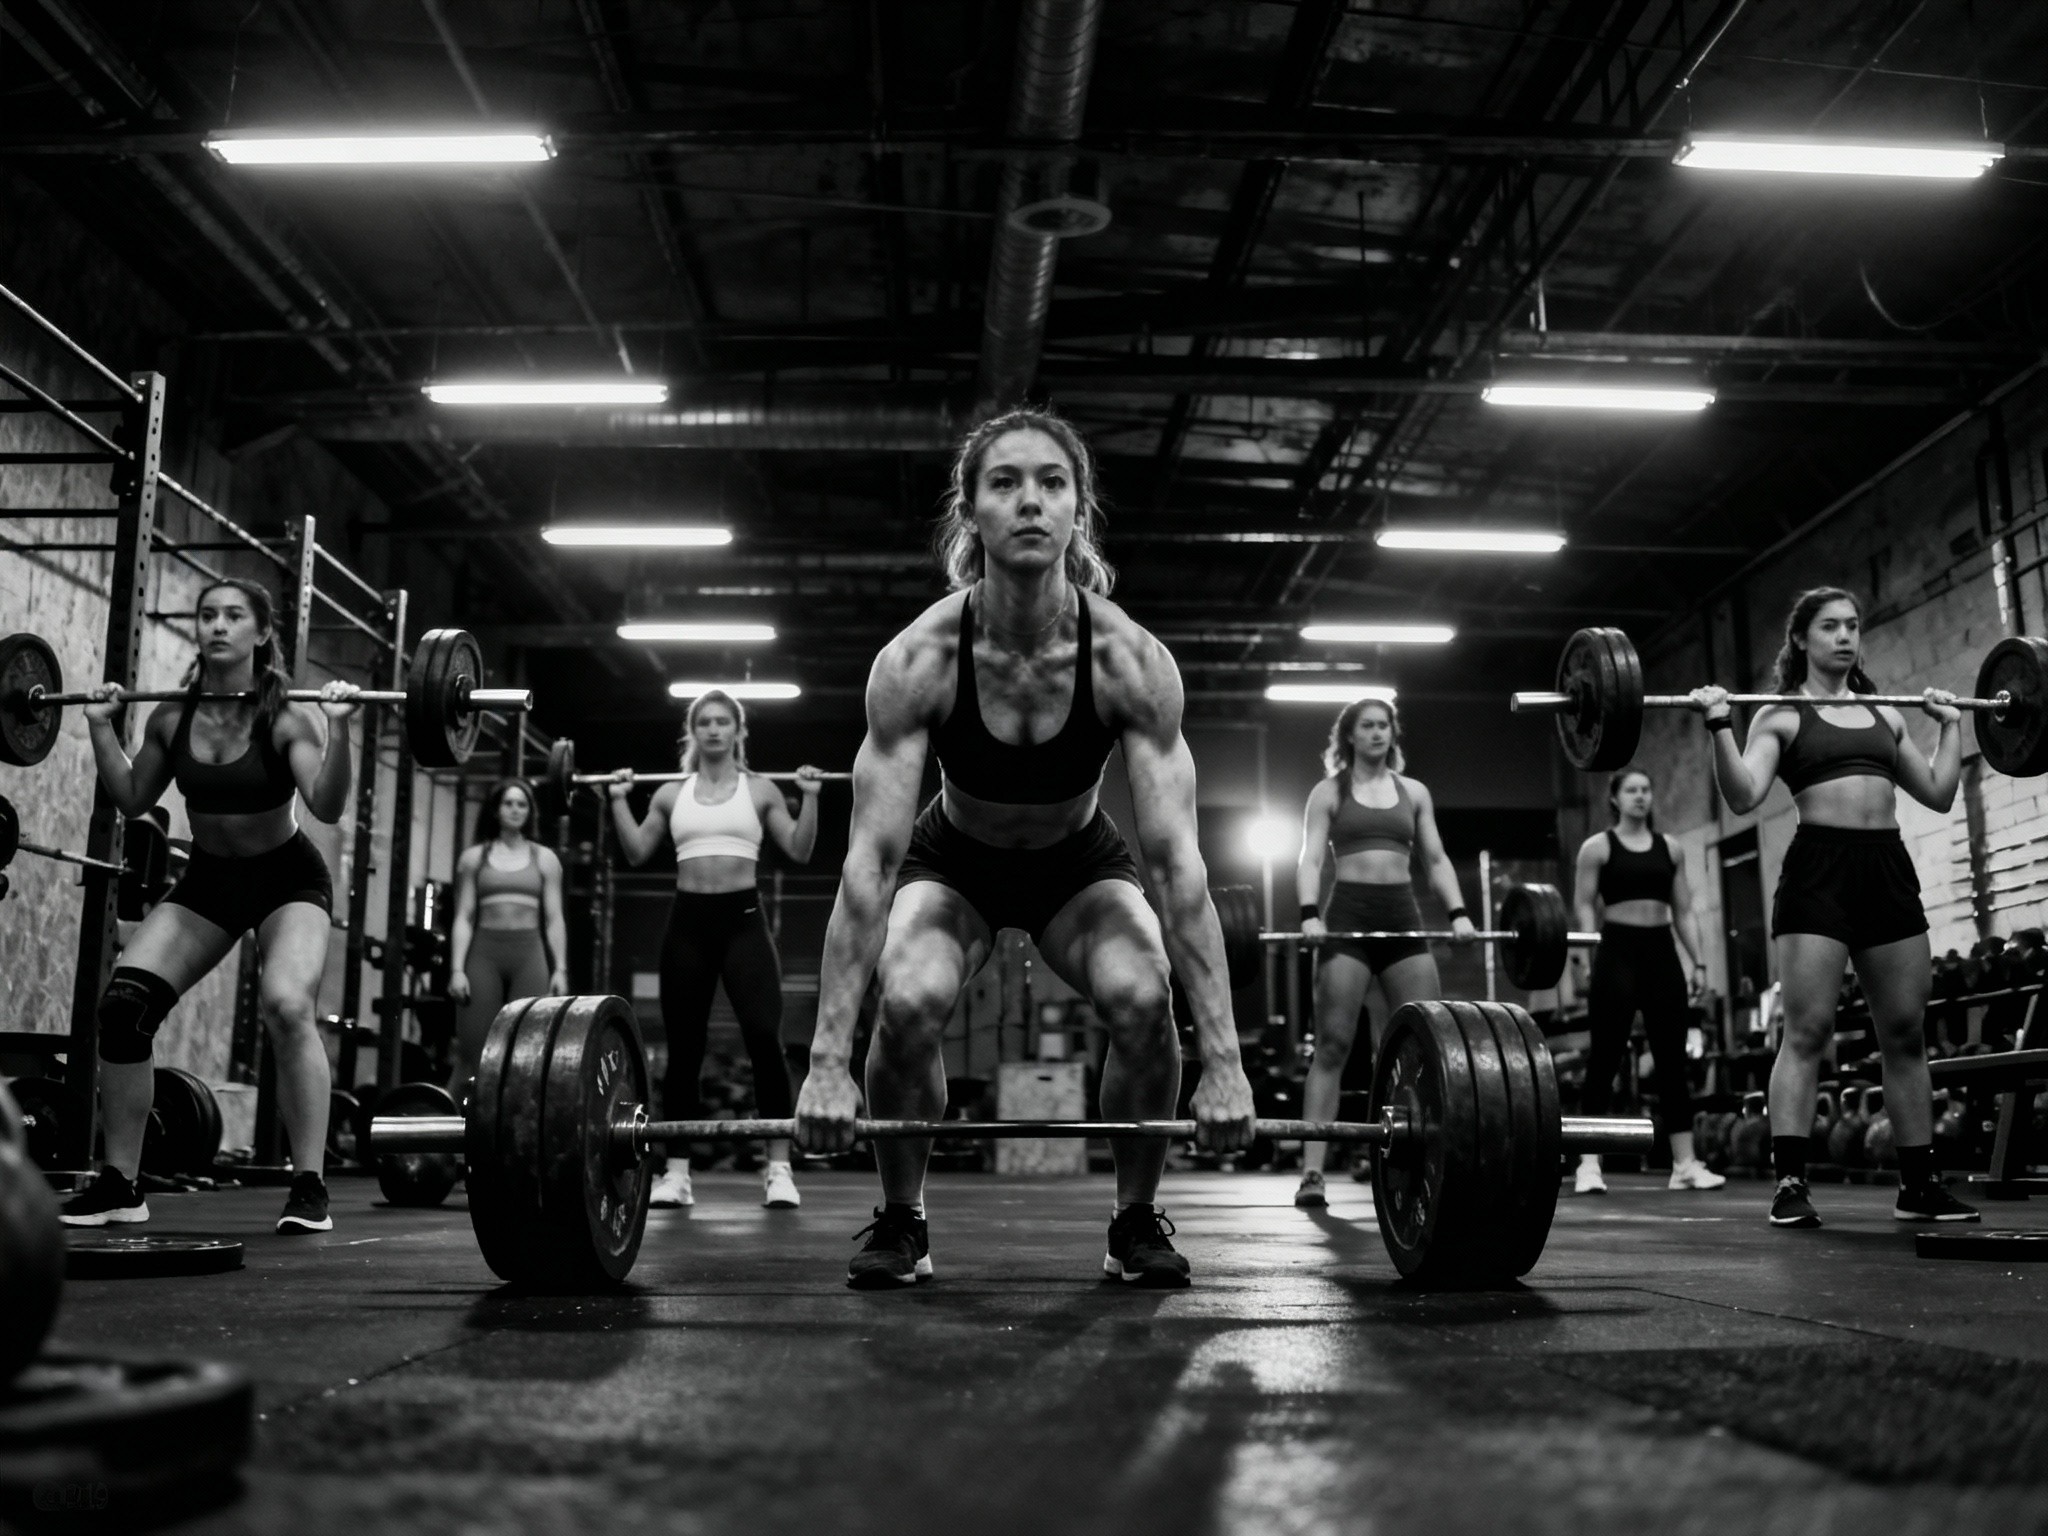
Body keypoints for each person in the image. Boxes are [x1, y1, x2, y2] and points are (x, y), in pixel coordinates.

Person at [793, 405, 1257, 1290]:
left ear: (1079, 508)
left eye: (1053, 483)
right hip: (954, 858)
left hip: (1077, 864)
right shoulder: (917, 661)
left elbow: (1177, 872)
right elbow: (869, 870)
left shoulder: (1132, 662)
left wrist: (1225, 1064)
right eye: (1005, 483)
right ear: (971, 511)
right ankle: (903, 1220)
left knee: (1142, 988)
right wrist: (825, 1063)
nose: (1031, 502)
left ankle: (1133, 1220)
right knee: (911, 993)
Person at [63, 578, 358, 1235]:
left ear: (260, 633)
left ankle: (308, 1185)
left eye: (233, 616)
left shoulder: (287, 715)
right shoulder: (171, 715)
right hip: (209, 881)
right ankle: (119, 1184)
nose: (217, 625)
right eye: (207, 615)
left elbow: (329, 806)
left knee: (286, 1005)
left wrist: (341, 732)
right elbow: (135, 798)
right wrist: (100, 727)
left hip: (287, 880)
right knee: (123, 1009)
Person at [1692, 586, 1977, 1228]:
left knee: (1905, 1033)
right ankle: (1790, 1183)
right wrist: (1718, 726)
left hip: (1886, 869)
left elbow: (1935, 793)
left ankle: (1919, 1185)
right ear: (1801, 640)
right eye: (1830, 627)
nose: (1845, 636)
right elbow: (1743, 796)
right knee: (1808, 1032)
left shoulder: (1887, 715)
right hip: (1819, 872)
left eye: (1852, 626)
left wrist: (1955, 726)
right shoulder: (1781, 716)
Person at [608, 690, 824, 1210]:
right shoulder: (668, 794)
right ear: (693, 731)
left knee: (764, 1043)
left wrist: (811, 796)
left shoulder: (761, 790)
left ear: (737, 731)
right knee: (684, 1049)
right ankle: (675, 1173)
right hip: (687, 925)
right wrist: (616, 799)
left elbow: (799, 849)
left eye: (722, 722)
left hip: (744, 925)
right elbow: (637, 851)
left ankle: (778, 1169)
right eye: (704, 722)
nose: (713, 730)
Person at [1290, 696, 1476, 1209]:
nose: (1376, 733)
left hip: (1402, 916)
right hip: (1348, 916)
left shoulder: (1413, 792)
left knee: (1425, 1043)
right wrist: (1309, 912)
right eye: (1366, 726)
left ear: (1394, 734)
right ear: (1349, 735)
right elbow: (1308, 858)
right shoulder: (1328, 792)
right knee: (1332, 1045)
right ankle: (1312, 1172)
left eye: (1384, 726)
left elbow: (1435, 858)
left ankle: (1415, 1158)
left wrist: (1459, 913)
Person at [1567, 766, 1724, 1195]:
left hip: (1661, 952)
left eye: (1646, 789)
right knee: (1605, 1059)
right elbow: (1583, 907)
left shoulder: (1670, 848)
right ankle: (1588, 1164)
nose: (1641, 796)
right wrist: (1584, 962)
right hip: (1616, 951)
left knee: (1673, 1060)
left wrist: (1700, 964)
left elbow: (1685, 910)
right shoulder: (1597, 848)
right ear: (1615, 798)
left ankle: (1685, 1164)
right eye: (1632, 790)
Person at [447, 778, 568, 1090]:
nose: (515, 810)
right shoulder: (474, 858)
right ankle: (466, 1123)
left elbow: (554, 918)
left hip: (529, 953)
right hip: (484, 953)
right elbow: (464, 916)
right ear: (496, 810)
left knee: (528, 1047)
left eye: (522, 804)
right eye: (509, 803)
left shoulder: (545, 859)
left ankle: (517, 1124)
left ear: (530, 812)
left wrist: (560, 969)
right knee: (474, 1047)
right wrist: (457, 969)